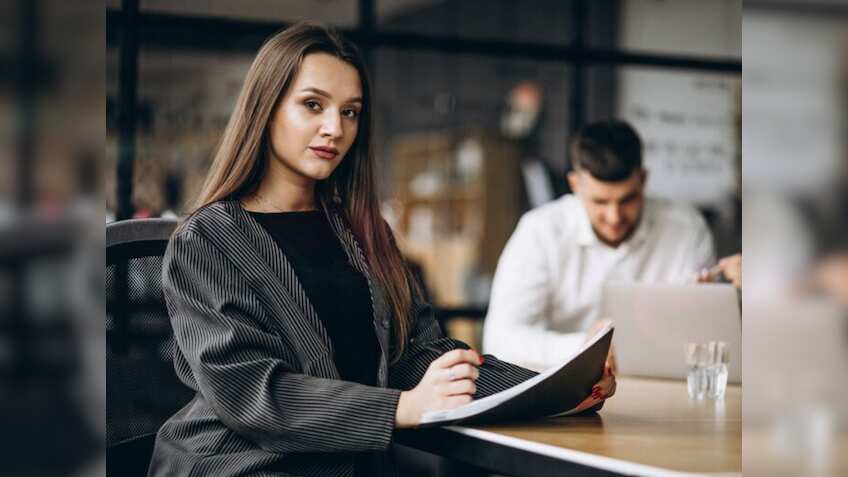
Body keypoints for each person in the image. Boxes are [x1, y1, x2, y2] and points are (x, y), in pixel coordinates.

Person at [147, 23, 615, 477]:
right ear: (266, 109)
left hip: (353, 462)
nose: (335, 128)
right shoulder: (206, 241)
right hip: (236, 464)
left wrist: (554, 389)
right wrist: (401, 407)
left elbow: (421, 353)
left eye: (350, 112)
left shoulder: (362, 231)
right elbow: (253, 393)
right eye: (313, 105)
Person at [483, 119, 716, 372]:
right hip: (563, 388)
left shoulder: (687, 230)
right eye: (600, 201)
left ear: (644, 179)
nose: (614, 217)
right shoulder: (539, 232)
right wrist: (584, 347)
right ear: (575, 185)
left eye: (627, 199)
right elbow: (500, 340)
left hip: (664, 383)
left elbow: (707, 338)